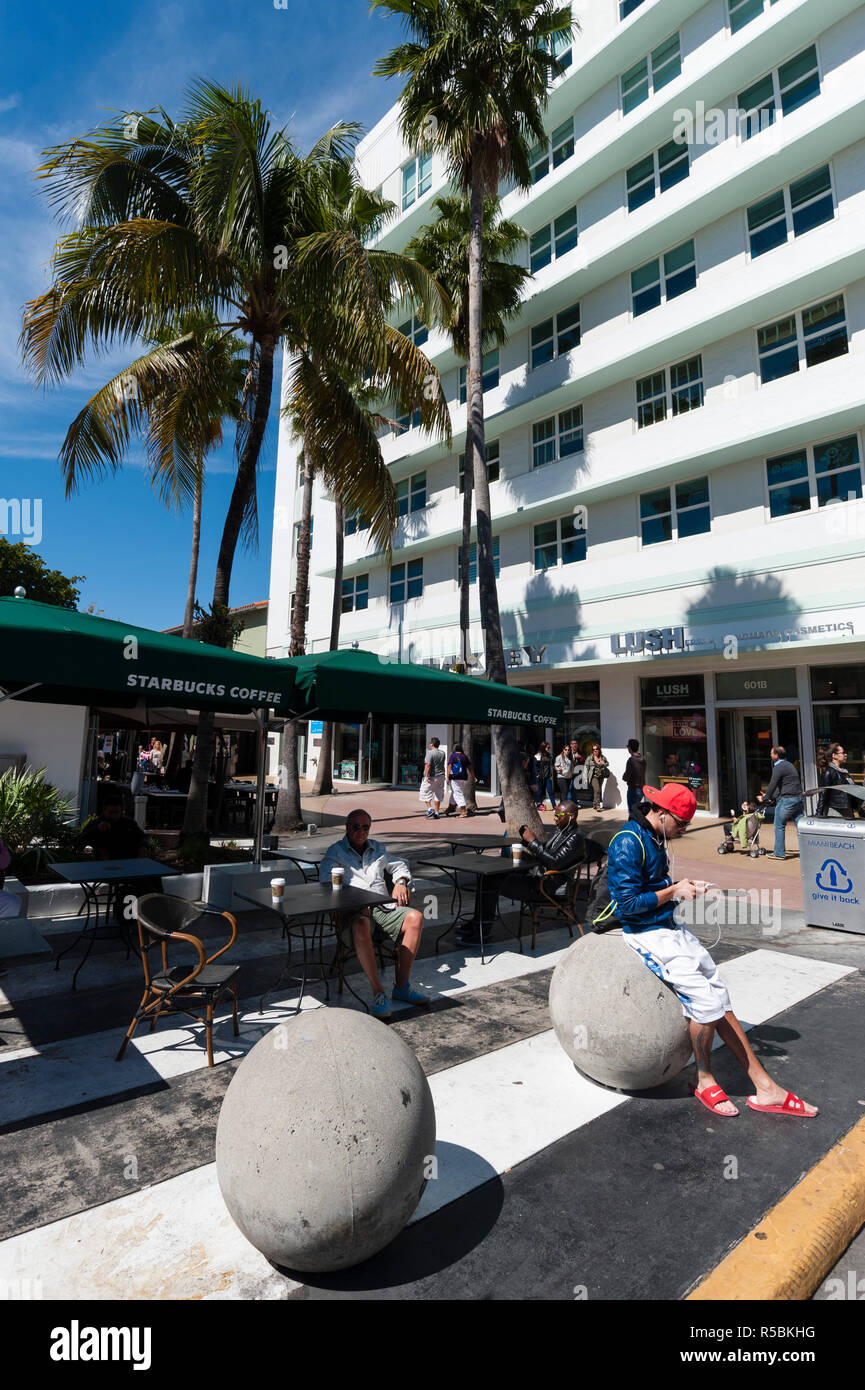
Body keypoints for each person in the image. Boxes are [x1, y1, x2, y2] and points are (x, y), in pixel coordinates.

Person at [606, 784, 817, 1119]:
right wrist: (675, 890)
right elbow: (627, 905)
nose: (684, 830)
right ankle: (703, 1079)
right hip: (645, 933)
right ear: (662, 813)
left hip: (668, 927)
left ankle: (764, 1085)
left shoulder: (654, 836)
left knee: (718, 994)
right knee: (705, 1004)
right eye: (682, 824)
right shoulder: (628, 842)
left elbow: (654, 887)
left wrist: (683, 886)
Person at [319, 810, 429, 1019]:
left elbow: (398, 865)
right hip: (354, 914)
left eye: (365, 827)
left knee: (416, 917)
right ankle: (378, 992)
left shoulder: (378, 848)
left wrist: (401, 882)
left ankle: (402, 986)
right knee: (361, 924)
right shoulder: (335, 852)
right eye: (356, 827)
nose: (361, 832)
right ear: (347, 827)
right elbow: (326, 884)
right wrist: (353, 901)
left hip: (383, 908)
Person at [460, 801, 602, 944]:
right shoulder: (562, 832)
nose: (556, 819)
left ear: (571, 816)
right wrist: (527, 843)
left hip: (546, 887)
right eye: (555, 815)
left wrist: (533, 841)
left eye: (559, 816)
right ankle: (477, 923)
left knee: (490, 882)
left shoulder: (575, 838)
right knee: (487, 876)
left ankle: (483, 932)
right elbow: (545, 854)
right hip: (539, 879)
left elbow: (555, 862)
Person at [74, 796, 150, 924]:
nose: (114, 816)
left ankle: (149, 917)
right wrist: (96, 830)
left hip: (131, 865)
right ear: (104, 811)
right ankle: (127, 919)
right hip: (106, 868)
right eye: (111, 812)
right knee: (135, 883)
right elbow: (78, 842)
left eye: (117, 812)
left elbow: (142, 837)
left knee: (153, 877)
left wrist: (144, 847)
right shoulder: (96, 824)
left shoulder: (128, 823)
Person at [756, 746, 804, 860]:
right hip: (798, 798)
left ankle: (779, 853)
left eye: (771, 753)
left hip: (788, 800)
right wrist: (771, 796)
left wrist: (765, 798)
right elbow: (780, 786)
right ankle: (805, 853)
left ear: (776, 755)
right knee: (801, 827)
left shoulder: (779, 767)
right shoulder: (789, 765)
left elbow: (773, 784)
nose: (770, 755)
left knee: (779, 825)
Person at [816, 744, 861, 818]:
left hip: (848, 810)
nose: (846, 755)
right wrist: (818, 815)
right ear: (834, 755)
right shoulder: (829, 772)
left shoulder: (844, 772)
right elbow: (823, 795)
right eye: (843, 753)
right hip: (836, 812)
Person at [444, 743, 476, 817]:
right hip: (463, 778)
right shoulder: (464, 756)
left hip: (455, 778)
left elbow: (449, 766)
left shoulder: (453, 756)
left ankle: (463, 811)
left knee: (457, 793)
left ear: (454, 749)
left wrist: (447, 777)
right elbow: (470, 767)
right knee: (454, 792)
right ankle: (450, 808)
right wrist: (473, 776)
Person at [419, 737, 447, 819]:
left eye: (430, 743)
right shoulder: (442, 753)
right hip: (441, 776)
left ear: (432, 744)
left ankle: (430, 809)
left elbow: (428, 765)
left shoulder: (430, 753)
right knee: (438, 794)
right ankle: (437, 813)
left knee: (424, 793)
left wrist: (426, 776)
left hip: (432, 777)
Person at [622, 738, 646, 815]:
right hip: (642, 789)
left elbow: (626, 776)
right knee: (638, 811)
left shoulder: (631, 760)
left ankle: (633, 826)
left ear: (629, 748)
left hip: (633, 790)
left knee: (632, 813)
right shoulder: (643, 759)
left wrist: (624, 777)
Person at [584, 743, 610, 812]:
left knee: (598, 790)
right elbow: (586, 768)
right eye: (593, 749)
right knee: (597, 790)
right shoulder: (590, 758)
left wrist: (604, 763)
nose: (595, 751)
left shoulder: (602, 757)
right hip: (593, 777)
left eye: (596, 749)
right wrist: (585, 777)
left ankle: (594, 804)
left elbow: (607, 763)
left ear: (599, 750)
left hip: (601, 776)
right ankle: (598, 805)